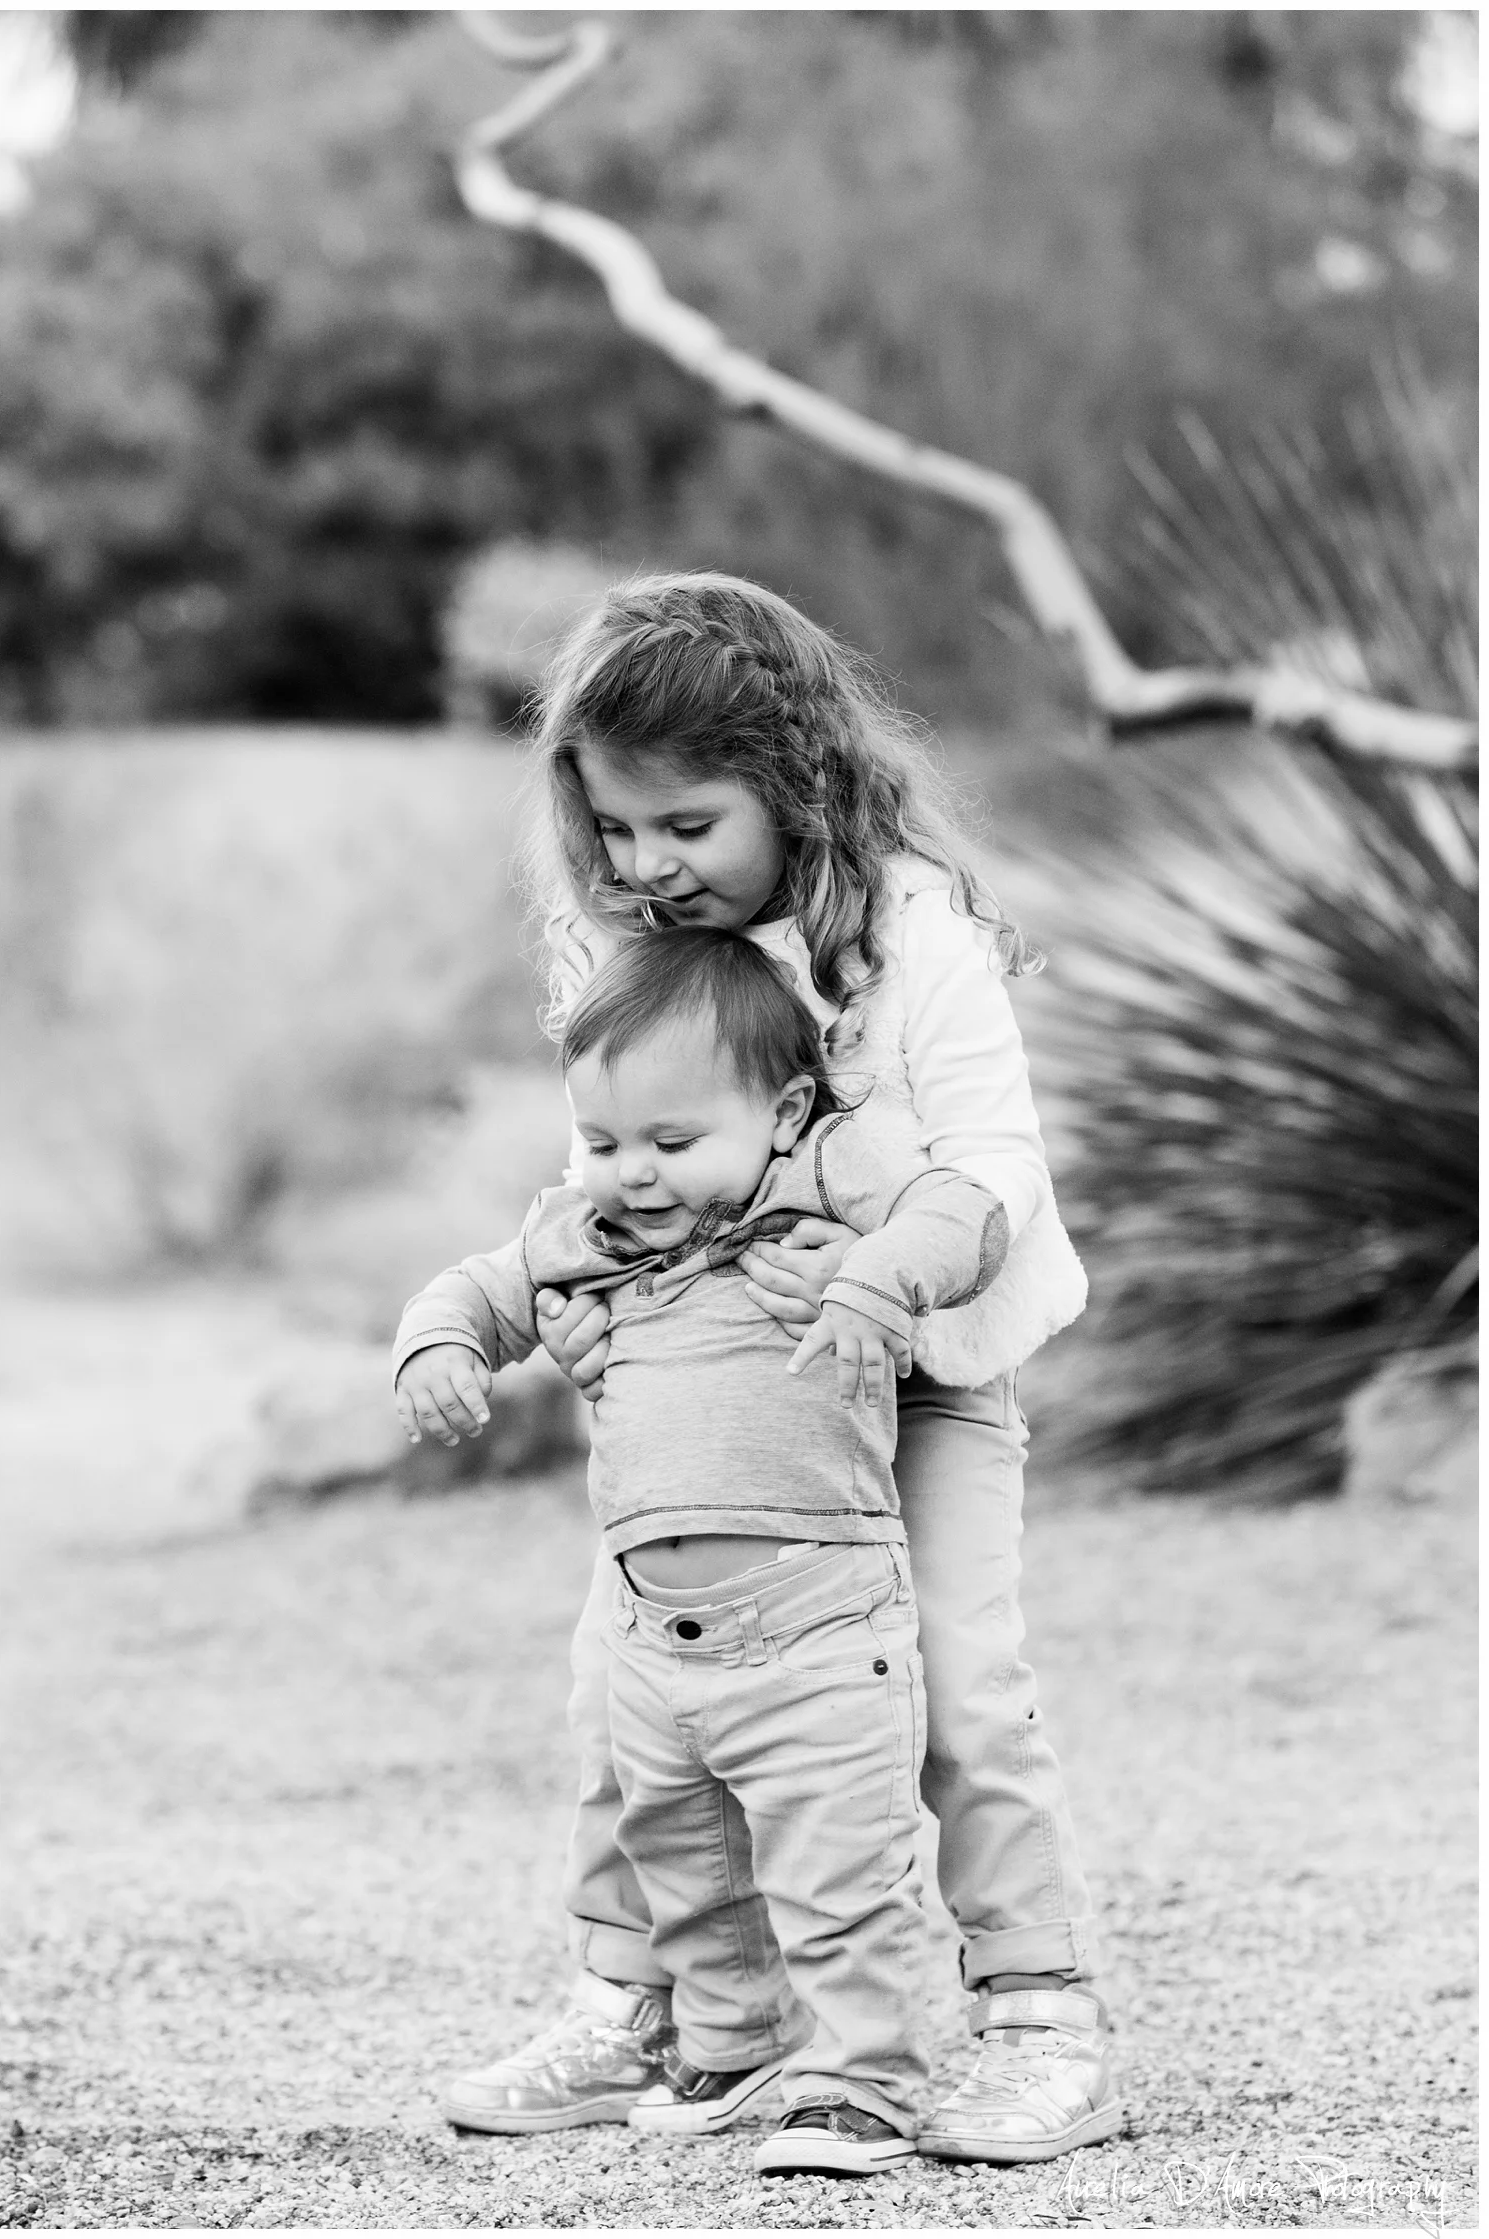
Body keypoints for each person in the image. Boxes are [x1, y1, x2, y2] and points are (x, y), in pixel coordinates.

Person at [444, 571, 1120, 2165]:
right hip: (722, 1409)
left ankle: (1039, 2020)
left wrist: (894, 1270)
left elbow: (1000, 1163)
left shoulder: (906, 928)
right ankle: (649, 2008)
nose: (644, 864)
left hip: (922, 1378)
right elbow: (604, 1170)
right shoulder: (617, 941)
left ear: (794, 782)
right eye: (615, 828)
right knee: (629, 1692)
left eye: (686, 824)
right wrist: (588, 1309)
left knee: (955, 1687)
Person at [395, 930, 1012, 2175]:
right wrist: (439, 1350)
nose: (633, 1175)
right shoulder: (595, 1236)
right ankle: (740, 2047)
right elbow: (476, 1284)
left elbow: (969, 1209)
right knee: (687, 1858)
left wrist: (882, 1278)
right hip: (649, 1637)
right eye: (607, 1143)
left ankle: (863, 2082)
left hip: (823, 1617)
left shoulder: (829, 1181)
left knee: (838, 1861)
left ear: (782, 1111)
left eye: (674, 1144)